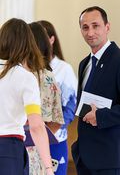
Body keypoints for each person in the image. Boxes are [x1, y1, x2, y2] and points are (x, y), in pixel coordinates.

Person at [71, 6, 120, 175]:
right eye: (85, 27)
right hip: (84, 158)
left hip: (110, 159)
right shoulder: (84, 64)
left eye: (95, 26)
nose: (90, 32)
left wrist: (101, 116)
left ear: (107, 27)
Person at [0, 18, 54, 175]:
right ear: (28, 44)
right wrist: (48, 167)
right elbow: (36, 125)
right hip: (8, 149)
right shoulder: (24, 77)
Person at [39, 20, 77, 175]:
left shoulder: (64, 69)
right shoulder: (29, 68)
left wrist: (51, 129)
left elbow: (71, 106)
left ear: (51, 39)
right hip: (30, 138)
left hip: (55, 138)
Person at [26, 22, 64, 175]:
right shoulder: (48, 76)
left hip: (13, 143)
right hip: (37, 146)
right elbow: (56, 120)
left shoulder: (16, 74)